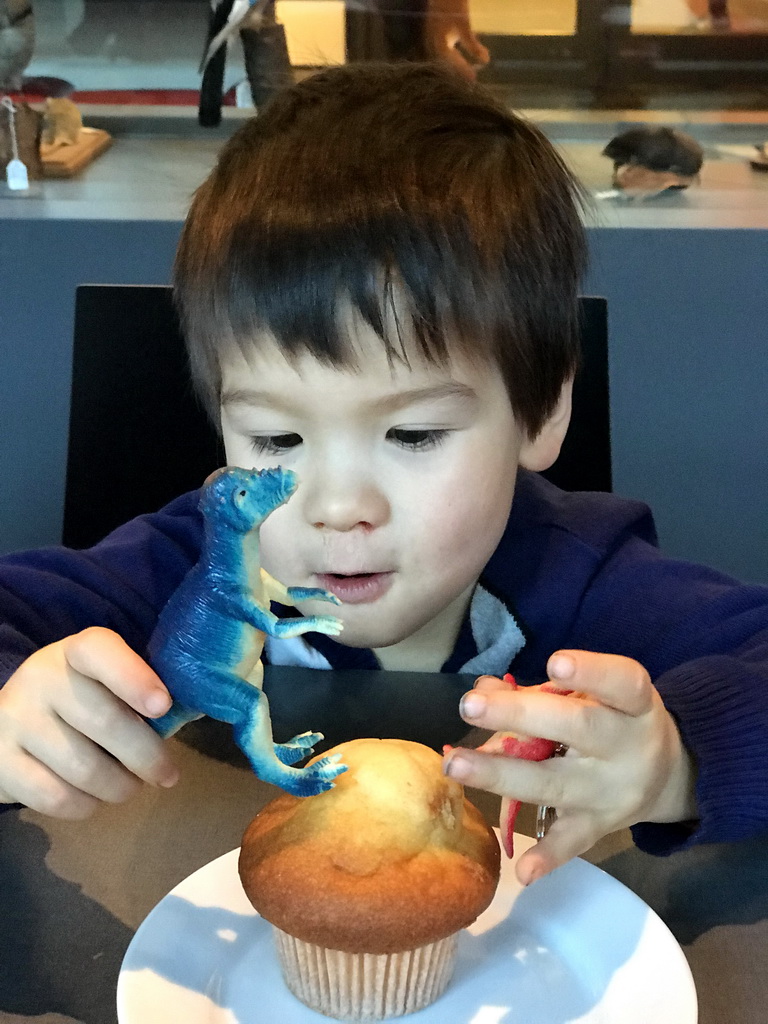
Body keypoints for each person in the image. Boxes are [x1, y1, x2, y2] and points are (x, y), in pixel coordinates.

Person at [1, 62, 767, 889]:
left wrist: (677, 760)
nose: (337, 507)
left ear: (541, 412)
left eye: (411, 433)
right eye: (277, 437)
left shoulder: (583, 572)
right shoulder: (193, 566)